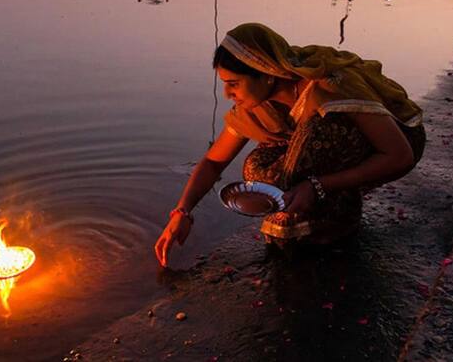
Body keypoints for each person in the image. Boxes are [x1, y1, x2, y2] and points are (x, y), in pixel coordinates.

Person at [154, 23, 425, 267]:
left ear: (266, 73)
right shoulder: (256, 107)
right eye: (225, 85)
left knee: (311, 142)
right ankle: (323, 209)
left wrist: (318, 185)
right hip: (325, 147)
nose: (227, 94)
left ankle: (338, 216)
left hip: (397, 141)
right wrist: (182, 212)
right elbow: (214, 162)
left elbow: (400, 155)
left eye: (234, 84)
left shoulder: (330, 87)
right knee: (257, 167)